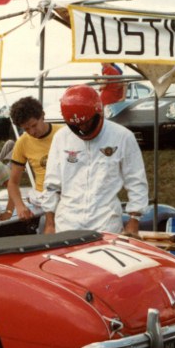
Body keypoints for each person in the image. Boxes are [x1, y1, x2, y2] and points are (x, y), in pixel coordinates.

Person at [42, 84, 148, 236]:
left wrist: (134, 220)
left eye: (86, 123)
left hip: (106, 223)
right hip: (66, 224)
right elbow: (52, 184)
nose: (83, 128)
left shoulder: (123, 136)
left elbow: (136, 181)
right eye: (77, 125)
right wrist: (50, 224)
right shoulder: (61, 138)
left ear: (98, 112)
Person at [6, 96, 61, 222]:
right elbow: (13, 183)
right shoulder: (22, 143)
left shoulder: (64, 133)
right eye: (26, 129)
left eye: (34, 125)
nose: (32, 131)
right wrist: (20, 206)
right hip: (42, 198)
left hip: (67, 196)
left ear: (42, 115)